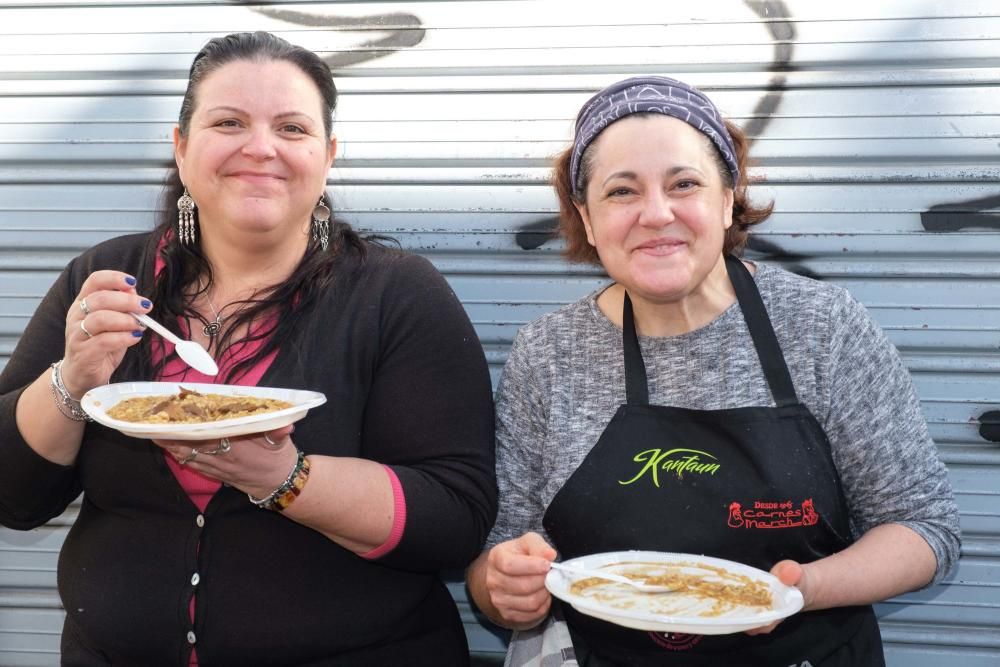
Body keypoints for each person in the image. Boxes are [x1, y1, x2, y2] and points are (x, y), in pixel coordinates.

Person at [0, 32, 496, 666]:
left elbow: (453, 519)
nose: (260, 147)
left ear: (328, 156)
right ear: (181, 149)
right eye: (229, 121)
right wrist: (72, 380)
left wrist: (287, 479)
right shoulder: (105, 279)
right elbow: (14, 497)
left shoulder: (396, 294)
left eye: (291, 128)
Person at [466, 76, 961, 666]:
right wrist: (503, 589)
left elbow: (924, 529)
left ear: (728, 198)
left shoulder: (823, 328)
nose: (656, 213)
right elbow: (500, 554)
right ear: (587, 219)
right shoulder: (548, 351)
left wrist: (797, 591)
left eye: (685, 184)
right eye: (622, 192)